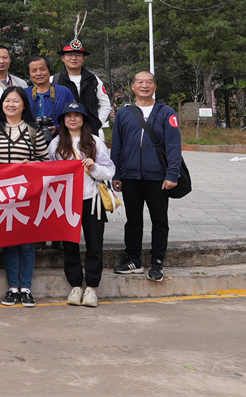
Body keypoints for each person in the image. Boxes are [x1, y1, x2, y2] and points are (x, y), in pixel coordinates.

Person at [0, 87, 49, 308]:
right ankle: (13, 288)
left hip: (27, 193)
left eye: (16, 101)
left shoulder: (34, 130)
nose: (11, 104)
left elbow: (45, 161)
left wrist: (32, 164)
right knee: (8, 242)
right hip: (2, 193)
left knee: (27, 243)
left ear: (24, 105)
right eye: (7, 100)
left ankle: (25, 288)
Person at [111, 71, 183, 283]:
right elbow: (117, 146)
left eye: (149, 82)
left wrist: (172, 174)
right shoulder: (123, 114)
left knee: (159, 220)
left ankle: (157, 260)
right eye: (140, 82)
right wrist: (116, 173)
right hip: (130, 176)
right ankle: (133, 259)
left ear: (155, 86)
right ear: (133, 87)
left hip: (158, 178)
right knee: (133, 220)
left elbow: (174, 146)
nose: (144, 85)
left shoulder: (166, 112)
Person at [49, 102, 115, 308]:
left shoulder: (94, 142)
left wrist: (94, 167)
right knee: (70, 245)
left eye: (77, 115)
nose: (73, 119)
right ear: (63, 120)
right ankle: (75, 285)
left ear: (84, 119)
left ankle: (92, 288)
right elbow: (49, 171)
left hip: (92, 199)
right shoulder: (56, 143)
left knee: (95, 244)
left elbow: (109, 170)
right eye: (68, 116)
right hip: (67, 201)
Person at [52, 39, 112, 136]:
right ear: (63, 58)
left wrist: (96, 124)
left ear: (83, 58)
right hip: (62, 134)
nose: (74, 58)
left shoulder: (93, 80)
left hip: (90, 134)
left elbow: (105, 105)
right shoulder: (54, 80)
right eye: (69, 55)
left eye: (78, 55)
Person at [26, 55, 73, 146]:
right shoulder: (24, 94)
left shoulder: (63, 92)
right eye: (34, 71)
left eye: (42, 69)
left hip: (60, 142)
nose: (39, 73)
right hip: (29, 143)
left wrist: (58, 128)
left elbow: (73, 116)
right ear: (29, 73)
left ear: (48, 70)